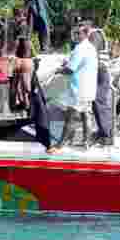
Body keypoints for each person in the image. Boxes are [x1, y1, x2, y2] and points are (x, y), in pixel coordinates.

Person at [48, 22, 98, 153]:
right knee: (86, 114)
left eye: (79, 33)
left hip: (78, 88)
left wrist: (58, 70)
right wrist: (67, 63)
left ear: (86, 34)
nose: (76, 35)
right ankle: (87, 142)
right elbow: (79, 63)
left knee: (70, 116)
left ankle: (60, 146)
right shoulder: (91, 48)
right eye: (75, 33)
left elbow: (70, 69)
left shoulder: (80, 48)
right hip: (89, 88)